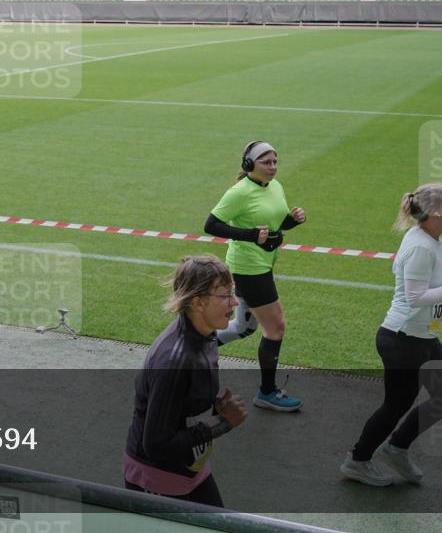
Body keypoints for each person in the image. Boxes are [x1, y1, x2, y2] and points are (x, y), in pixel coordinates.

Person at [341, 183, 442, 486]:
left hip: (421, 337)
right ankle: (357, 461)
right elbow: (414, 297)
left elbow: (425, 294)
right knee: (396, 404)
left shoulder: (430, 238)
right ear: (435, 212)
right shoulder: (420, 247)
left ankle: (396, 447)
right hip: (402, 340)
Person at [123, 255, 248, 507]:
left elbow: (183, 403)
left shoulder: (206, 334)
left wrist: (212, 405)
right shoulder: (176, 362)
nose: (234, 302)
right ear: (198, 302)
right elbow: (156, 445)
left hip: (190, 466)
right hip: (157, 477)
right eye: (224, 295)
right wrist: (222, 424)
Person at [203, 141, 306, 412]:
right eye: (266, 162)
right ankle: (267, 392)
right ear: (249, 165)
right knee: (276, 328)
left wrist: (292, 220)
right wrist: (249, 235)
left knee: (244, 327)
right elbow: (211, 224)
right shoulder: (239, 192)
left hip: (265, 263)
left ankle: (192, 349)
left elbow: (275, 223)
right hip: (249, 269)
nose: (272, 167)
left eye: (275, 162)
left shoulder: (276, 187)